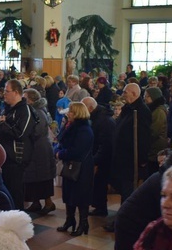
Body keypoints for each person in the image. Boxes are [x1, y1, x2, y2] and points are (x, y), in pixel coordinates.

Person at [0, 79, 35, 210]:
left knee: (15, 193)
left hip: (16, 159)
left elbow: (21, 134)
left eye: (7, 91)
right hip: (4, 158)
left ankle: (17, 222)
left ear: (16, 92)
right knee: (6, 191)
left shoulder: (25, 110)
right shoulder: (8, 109)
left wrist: (3, 124)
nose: (4, 94)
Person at [55, 102, 94, 236]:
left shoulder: (84, 129)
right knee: (68, 194)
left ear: (77, 113)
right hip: (70, 165)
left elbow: (78, 151)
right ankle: (69, 220)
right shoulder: (71, 126)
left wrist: (60, 154)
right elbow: (62, 141)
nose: (68, 113)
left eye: (70, 112)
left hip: (81, 167)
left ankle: (83, 223)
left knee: (80, 196)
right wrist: (58, 150)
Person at [110, 83, 151, 202]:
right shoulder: (127, 109)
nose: (122, 95)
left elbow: (143, 137)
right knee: (122, 187)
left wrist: (142, 159)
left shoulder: (142, 112)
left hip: (131, 159)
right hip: (121, 157)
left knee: (128, 190)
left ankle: (126, 217)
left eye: (125, 92)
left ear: (134, 94)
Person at [22, 88, 56, 214]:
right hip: (35, 148)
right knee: (34, 177)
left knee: (43, 177)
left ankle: (49, 203)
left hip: (40, 148)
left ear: (30, 99)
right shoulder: (33, 110)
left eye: (24, 97)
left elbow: (38, 130)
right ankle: (36, 202)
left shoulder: (38, 112)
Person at [83, 97, 115, 217]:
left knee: (100, 183)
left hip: (104, 158)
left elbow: (105, 144)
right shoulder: (97, 117)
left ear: (90, 108)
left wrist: (96, 161)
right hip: (98, 155)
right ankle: (99, 206)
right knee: (97, 183)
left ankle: (101, 208)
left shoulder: (103, 120)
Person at [144, 86, 168, 175]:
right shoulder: (153, 109)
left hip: (156, 147)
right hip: (153, 147)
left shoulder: (159, 112)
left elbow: (155, 131)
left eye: (147, 96)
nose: (145, 98)